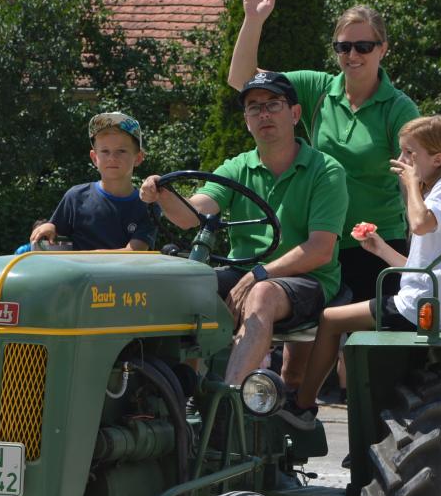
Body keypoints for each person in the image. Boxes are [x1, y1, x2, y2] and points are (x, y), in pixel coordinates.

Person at [228, 0, 419, 388]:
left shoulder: (398, 108)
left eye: (363, 46)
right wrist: (254, 20)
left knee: (360, 362)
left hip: (373, 246)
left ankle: (364, 431)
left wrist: (424, 233)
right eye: (343, 46)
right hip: (316, 244)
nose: (353, 55)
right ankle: (291, 419)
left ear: (383, 49)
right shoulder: (318, 89)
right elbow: (244, 82)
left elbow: (414, 174)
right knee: (295, 363)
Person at [140, 71, 348, 387]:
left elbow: (320, 250)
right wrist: (164, 196)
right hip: (246, 273)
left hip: (308, 278)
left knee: (262, 294)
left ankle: (230, 398)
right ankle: (180, 391)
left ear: (295, 114)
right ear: (247, 121)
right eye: (254, 107)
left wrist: (257, 275)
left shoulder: (326, 171)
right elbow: (192, 215)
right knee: (186, 285)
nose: (264, 114)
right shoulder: (237, 167)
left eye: (273, 104)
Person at [280, 114, 441, 426]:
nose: (401, 160)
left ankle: (302, 404)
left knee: (330, 319)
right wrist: (380, 248)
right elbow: (420, 268)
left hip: (420, 305)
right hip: (438, 302)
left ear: (438, 159)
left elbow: (419, 223)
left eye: (410, 153)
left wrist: (411, 185)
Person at [31, 112, 159, 251]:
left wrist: (93, 257)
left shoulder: (148, 205)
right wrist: (49, 227)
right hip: (78, 267)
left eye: (121, 151)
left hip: (120, 268)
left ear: (138, 158)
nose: (112, 157)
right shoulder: (75, 197)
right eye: (105, 151)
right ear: (94, 158)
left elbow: (134, 252)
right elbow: (55, 229)